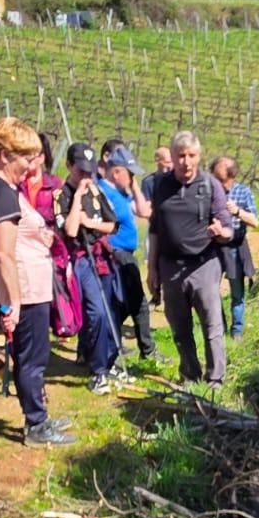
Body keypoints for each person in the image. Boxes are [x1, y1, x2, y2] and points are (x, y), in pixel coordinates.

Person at [0, 118, 79, 447]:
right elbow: (6, 254)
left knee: (31, 356)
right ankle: (36, 424)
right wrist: (13, 302)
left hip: (25, 284)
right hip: (25, 287)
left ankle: (39, 417)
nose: (30, 165)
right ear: (6, 154)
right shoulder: (3, 193)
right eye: (26, 157)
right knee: (32, 359)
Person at [149, 131, 235, 388]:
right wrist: (152, 268)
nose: (186, 161)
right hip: (169, 266)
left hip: (203, 265)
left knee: (212, 324)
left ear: (199, 157)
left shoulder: (210, 186)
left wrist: (221, 233)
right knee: (179, 327)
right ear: (172, 157)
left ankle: (215, 378)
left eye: (191, 155)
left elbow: (228, 229)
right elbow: (155, 228)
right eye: (181, 155)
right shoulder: (161, 185)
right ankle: (190, 373)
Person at [59, 141, 125, 394]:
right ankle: (98, 370)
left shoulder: (97, 193)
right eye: (80, 172)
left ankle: (105, 361)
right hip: (78, 260)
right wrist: (77, 199)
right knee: (95, 313)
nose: (86, 178)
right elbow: (72, 230)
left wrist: (93, 224)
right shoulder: (62, 195)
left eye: (90, 172)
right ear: (69, 166)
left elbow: (112, 225)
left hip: (100, 257)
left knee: (109, 311)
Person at [99, 143, 159, 361]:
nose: (132, 177)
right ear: (116, 172)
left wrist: (133, 186)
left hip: (125, 253)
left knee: (125, 305)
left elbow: (144, 211)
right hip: (116, 253)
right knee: (137, 304)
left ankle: (110, 348)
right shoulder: (103, 192)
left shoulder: (121, 193)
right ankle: (147, 351)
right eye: (129, 173)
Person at [210, 155, 259, 340]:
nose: (214, 177)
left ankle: (236, 332)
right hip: (213, 246)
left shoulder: (243, 192)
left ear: (231, 175)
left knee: (237, 292)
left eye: (218, 174)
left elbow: (255, 221)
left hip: (235, 247)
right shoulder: (209, 191)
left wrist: (237, 211)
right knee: (211, 290)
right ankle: (218, 328)